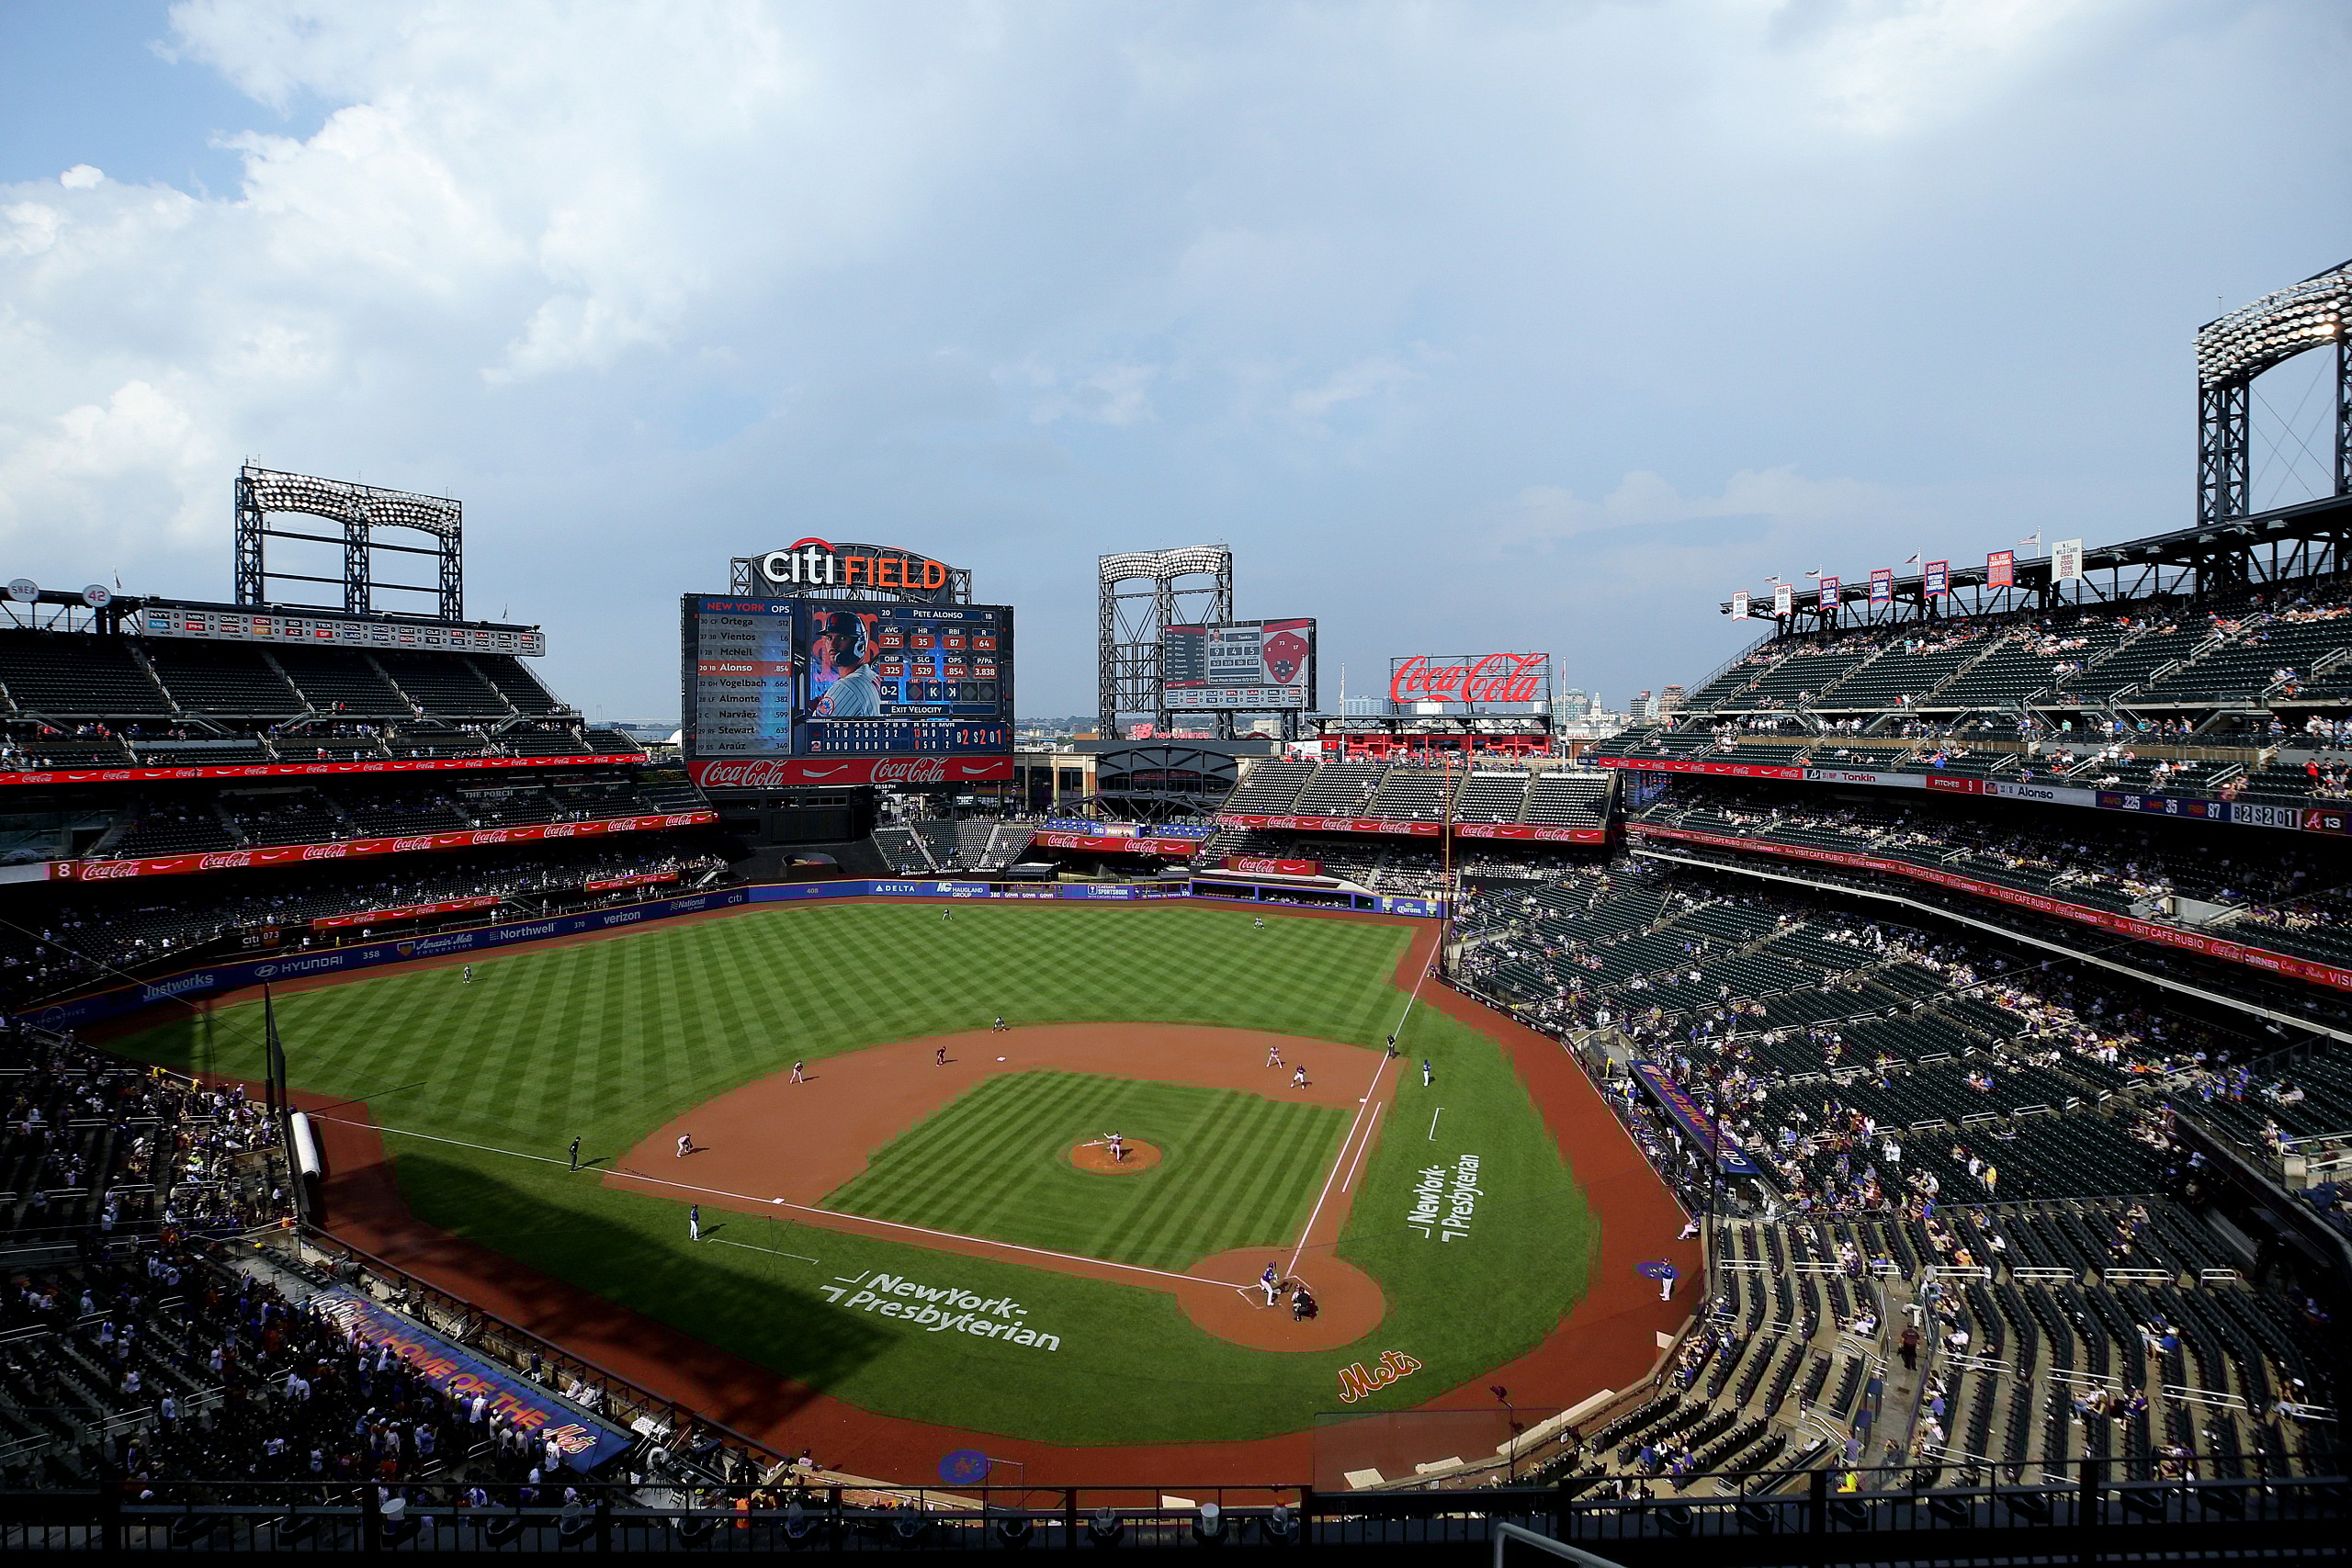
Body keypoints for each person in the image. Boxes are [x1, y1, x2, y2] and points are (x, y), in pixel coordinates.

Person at [808, 610, 881, 717]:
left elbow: (815, 726)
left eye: (842, 638)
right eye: (829, 638)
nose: (833, 644)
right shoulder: (871, 677)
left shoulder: (847, 686)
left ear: (859, 644)